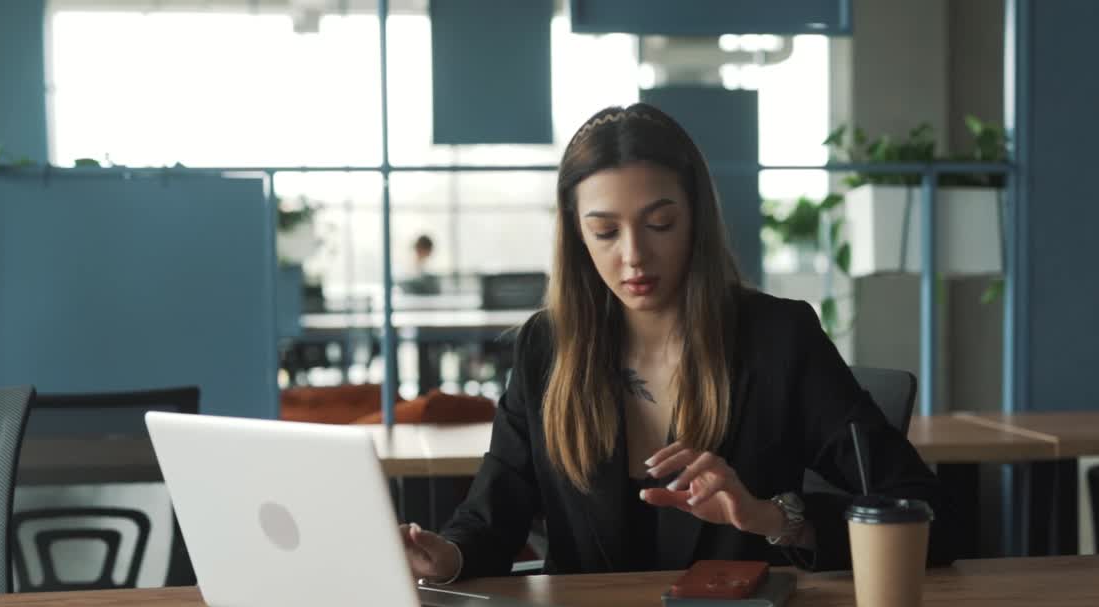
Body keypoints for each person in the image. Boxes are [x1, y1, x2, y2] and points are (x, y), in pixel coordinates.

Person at [400, 103, 957, 582]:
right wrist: (443, 556)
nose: (634, 255)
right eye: (605, 232)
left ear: (695, 219)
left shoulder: (778, 340)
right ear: (577, 238)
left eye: (660, 223)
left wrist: (770, 517)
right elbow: (492, 517)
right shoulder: (546, 347)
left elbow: (926, 512)